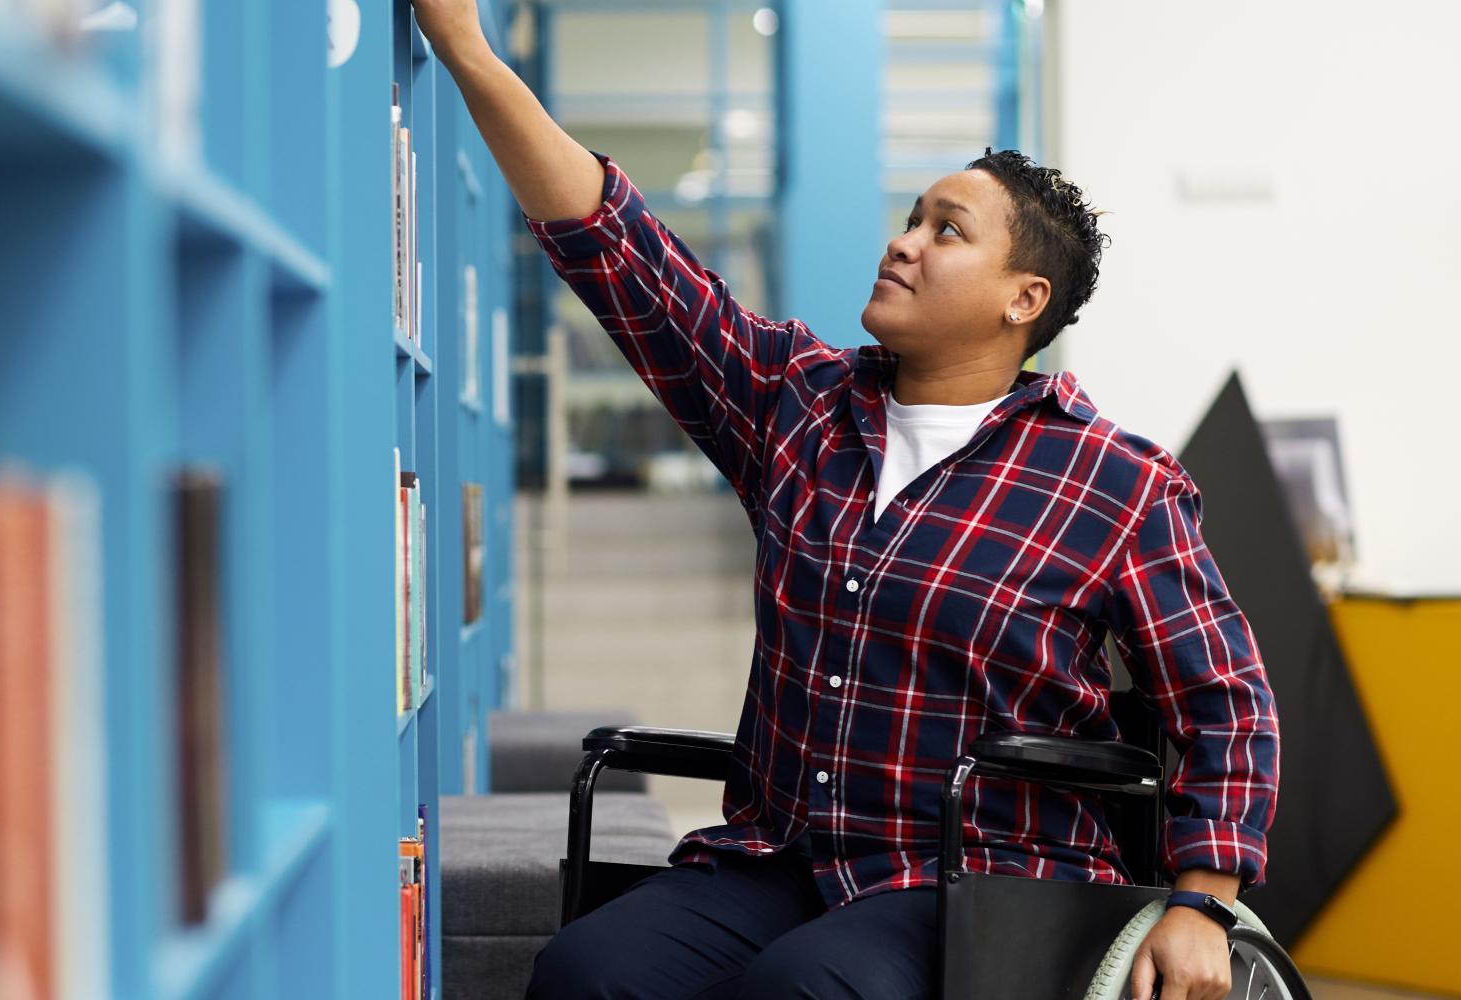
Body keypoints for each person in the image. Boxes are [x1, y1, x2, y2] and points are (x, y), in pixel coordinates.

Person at [408, 2, 1282, 999]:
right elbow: (623, 256)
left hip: (976, 881)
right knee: (587, 971)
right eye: (909, 217)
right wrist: (466, 50)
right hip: (782, 856)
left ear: (1022, 300)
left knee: (802, 989)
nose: (903, 242)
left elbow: (1227, 700)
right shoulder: (799, 405)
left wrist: (1200, 898)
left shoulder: (1112, 483)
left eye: (943, 230)